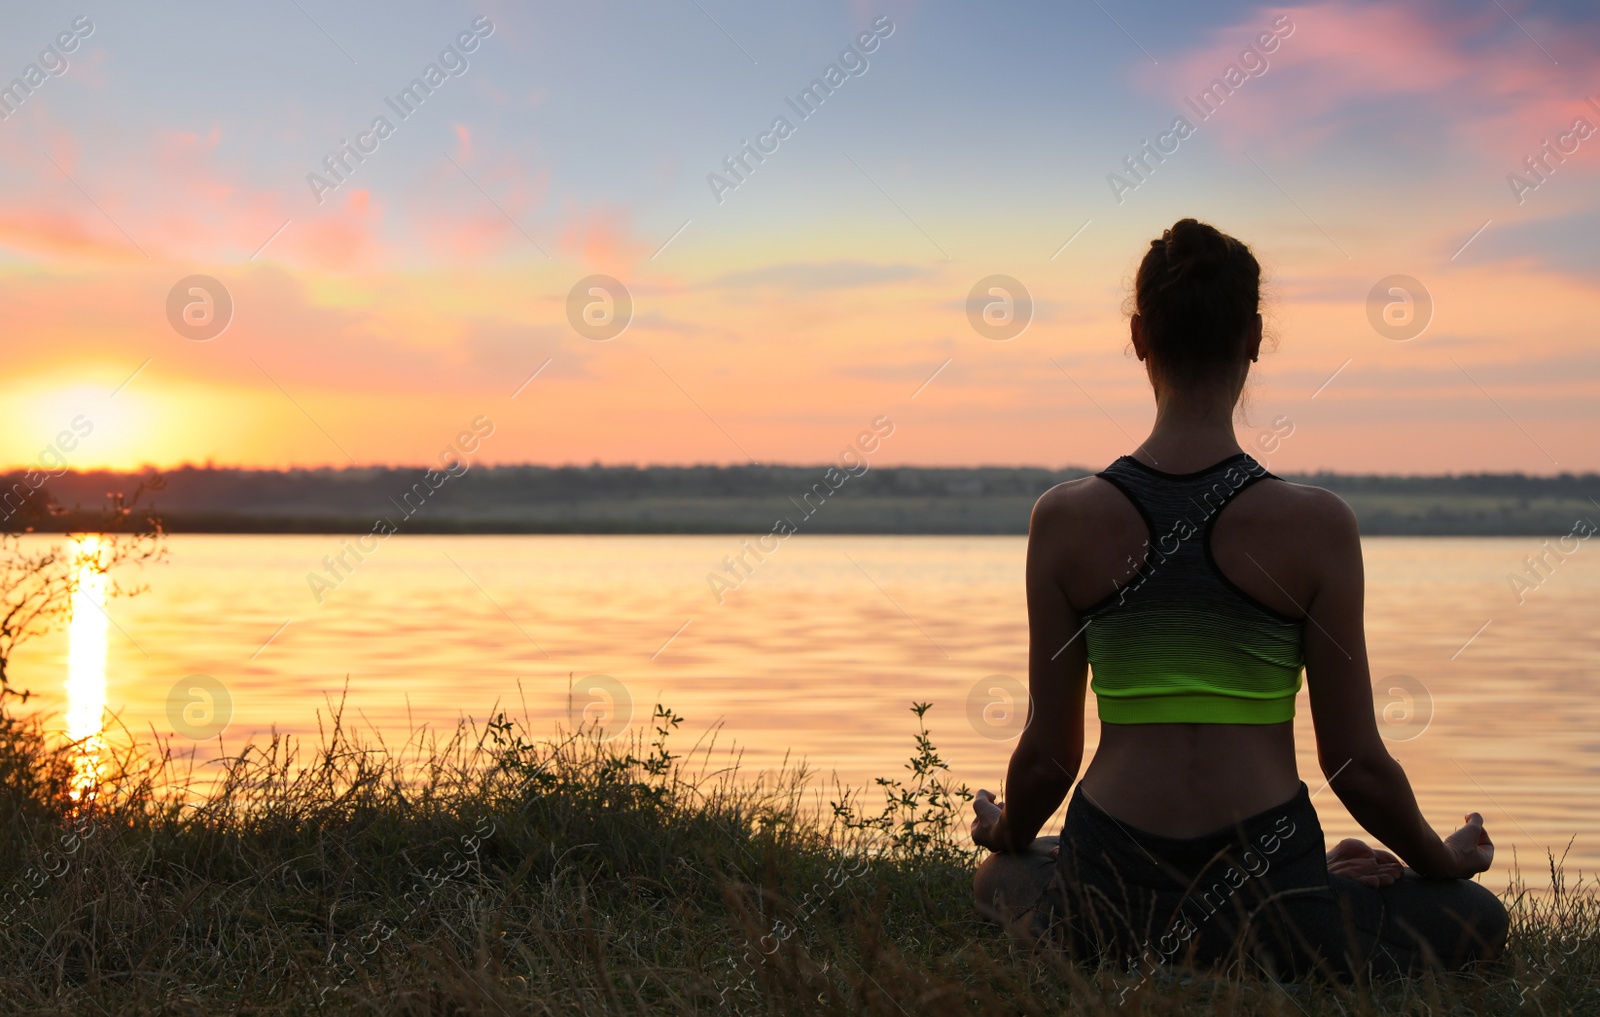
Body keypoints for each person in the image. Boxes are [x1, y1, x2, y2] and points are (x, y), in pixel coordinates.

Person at [969, 218, 1508, 984]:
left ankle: (1149, 949)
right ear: (1254, 337)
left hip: (1110, 893)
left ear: (1138, 336)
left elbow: (1052, 756)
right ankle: (1297, 910)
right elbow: (1355, 763)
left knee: (1003, 877)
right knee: (1477, 919)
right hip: (1268, 895)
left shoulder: (1064, 519)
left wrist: (1006, 830)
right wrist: (1439, 857)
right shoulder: (1317, 526)